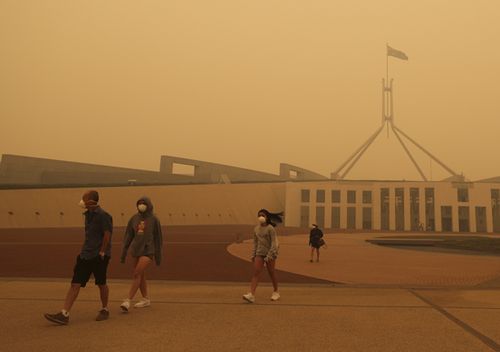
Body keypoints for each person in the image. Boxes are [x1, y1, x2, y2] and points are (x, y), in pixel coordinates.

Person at [44, 190, 113, 325]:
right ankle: (64, 314)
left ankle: (104, 309)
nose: (81, 201)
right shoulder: (88, 215)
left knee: (101, 283)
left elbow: (107, 235)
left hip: (99, 256)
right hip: (85, 255)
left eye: (84, 198)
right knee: (75, 283)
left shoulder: (103, 215)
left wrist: (102, 252)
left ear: (91, 200)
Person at [120, 197, 163, 311]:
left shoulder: (154, 219)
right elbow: (128, 236)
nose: (141, 205)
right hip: (136, 250)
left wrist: (158, 256)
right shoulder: (134, 219)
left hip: (148, 251)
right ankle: (145, 299)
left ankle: (128, 300)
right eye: (139, 203)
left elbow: (158, 239)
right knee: (141, 275)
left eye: (144, 203)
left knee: (137, 273)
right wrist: (123, 253)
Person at [242, 209, 283, 303]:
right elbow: (255, 243)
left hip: (270, 253)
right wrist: (253, 254)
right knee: (256, 272)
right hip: (259, 253)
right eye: (259, 215)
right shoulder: (256, 229)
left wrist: (270, 255)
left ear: (267, 217)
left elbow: (274, 243)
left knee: (271, 272)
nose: (261, 217)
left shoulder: (270, 228)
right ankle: (251, 294)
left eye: (263, 215)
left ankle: (276, 291)